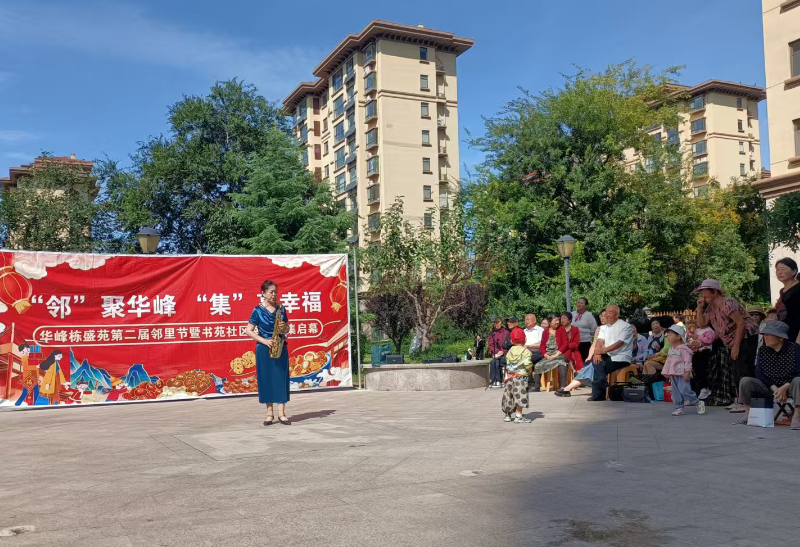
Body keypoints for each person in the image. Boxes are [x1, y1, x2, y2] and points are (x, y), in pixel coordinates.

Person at [694, 279, 759, 411]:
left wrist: (736, 346)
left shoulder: (727, 303)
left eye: (704, 291)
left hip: (746, 337)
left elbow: (741, 323)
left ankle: (747, 402)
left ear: (714, 291)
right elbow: (701, 324)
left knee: (743, 368)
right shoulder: (711, 308)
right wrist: (699, 308)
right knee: (735, 370)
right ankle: (740, 400)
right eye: (701, 292)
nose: (702, 294)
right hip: (731, 340)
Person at [734, 320, 800, 429]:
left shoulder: (795, 349)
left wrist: (784, 387)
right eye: (764, 334)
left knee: (798, 380)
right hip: (770, 388)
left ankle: (797, 416)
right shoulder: (763, 350)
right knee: (745, 381)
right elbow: (760, 374)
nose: (765, 337)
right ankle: (747, 414)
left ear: (781, 338)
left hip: (790, 387)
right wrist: (775, 388)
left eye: (769, 335)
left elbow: (799, 372)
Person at [246, 280, 291, 426]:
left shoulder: (281, 308)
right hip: (264, 348)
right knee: (266, 380)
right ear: (263, 293)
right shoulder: (257, 310)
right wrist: (264, 341)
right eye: (271, 292)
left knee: (281, 378)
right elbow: (249, 330)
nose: (274, 294)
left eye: (275, 291)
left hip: (280, 346)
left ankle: (282, 414)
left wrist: (284, 328)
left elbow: (287, 328)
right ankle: (269, 414)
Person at [556, 311, 607, 397]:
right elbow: (594, 344)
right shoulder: (599, 329)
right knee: (589, 365)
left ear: (570, 320)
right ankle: (566, 388)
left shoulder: (575, 329)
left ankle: (567, 388)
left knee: (590, 366)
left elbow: (576, 343)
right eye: (601, 316)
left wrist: (566, 346)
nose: (602, 318)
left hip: (602, 354)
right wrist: (590, 356)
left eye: (564, 318)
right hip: (562, 351)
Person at [590, 305, 635, 401]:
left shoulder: (625, 326)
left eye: (610, 313)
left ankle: (598, 394)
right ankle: (602, 381)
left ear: (617, 315)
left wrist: (602, 350)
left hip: (622, 356)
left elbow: (620, 343)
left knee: (599, 367)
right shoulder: (603, 327)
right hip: (608, 355)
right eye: (606, 312)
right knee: (596, 360)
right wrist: (597, 353)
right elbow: (599, 340)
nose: (607, 315)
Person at [662, 325, 706, 416]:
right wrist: (666, 371)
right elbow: (668, 361)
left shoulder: (684, 349)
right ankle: (678, 407)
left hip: (682, 374)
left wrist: (687, 372)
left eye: (670, 335)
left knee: (684, 390)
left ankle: (697, 402)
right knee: (675, 392)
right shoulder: (671, 349)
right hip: (673, 374)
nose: (668, 337)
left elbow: (687, 361)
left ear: (678, 336)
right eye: (667, 335)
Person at [501, 327, 533, 423]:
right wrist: (530, 370)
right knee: (520, 395)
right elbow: (527, 363)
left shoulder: (509, 351)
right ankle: (518, 416)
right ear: (525, 339)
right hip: (521, 377)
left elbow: (507, 363)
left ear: (511, 341)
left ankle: (507, 415)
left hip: (510, 377)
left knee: (509, 395)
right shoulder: (526, 351)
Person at [533, 315, 569, 390]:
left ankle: (563, 386)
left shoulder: (561, 329)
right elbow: (542, 345)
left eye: (558, 320)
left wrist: (556, 354)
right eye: (555, 320)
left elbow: (565, 343)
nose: (557, 322)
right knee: (538, 365)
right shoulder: (545, 331)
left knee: (561, 362)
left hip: (560, 354)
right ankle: (536, 386)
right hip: (548, 354)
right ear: (549, 322)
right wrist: (546, 355)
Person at [775, 258, 800, 345]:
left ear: (794, 271)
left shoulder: (798, 288)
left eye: (783, 269)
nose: (779, 272)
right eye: (777, 269)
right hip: (785, 333)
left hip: (797, 334)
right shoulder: (782, 291)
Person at [523, 314, 545, 391]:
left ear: (534, 320)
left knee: (526, 359)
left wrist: (529, 346)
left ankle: (532, 383)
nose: (526, 321)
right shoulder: (523, 331)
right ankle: (528, 383)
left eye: (528, 319)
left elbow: (542, 345)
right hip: (526, 352)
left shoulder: (540, 330)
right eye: (525, 319)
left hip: (538, 351)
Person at [488, 317, 509, 388]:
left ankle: (498, 380)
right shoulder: (492, 333)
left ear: (501, 323)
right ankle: (494, 380)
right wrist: (497, 351)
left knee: (498, 361)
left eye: (498, 322)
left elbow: (507, 344)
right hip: (496, 353)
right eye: (495, 323)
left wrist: (502, 351)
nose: (496, 324)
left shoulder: (506, 332)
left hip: (505, 354)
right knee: (494, 362)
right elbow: (491, 345)